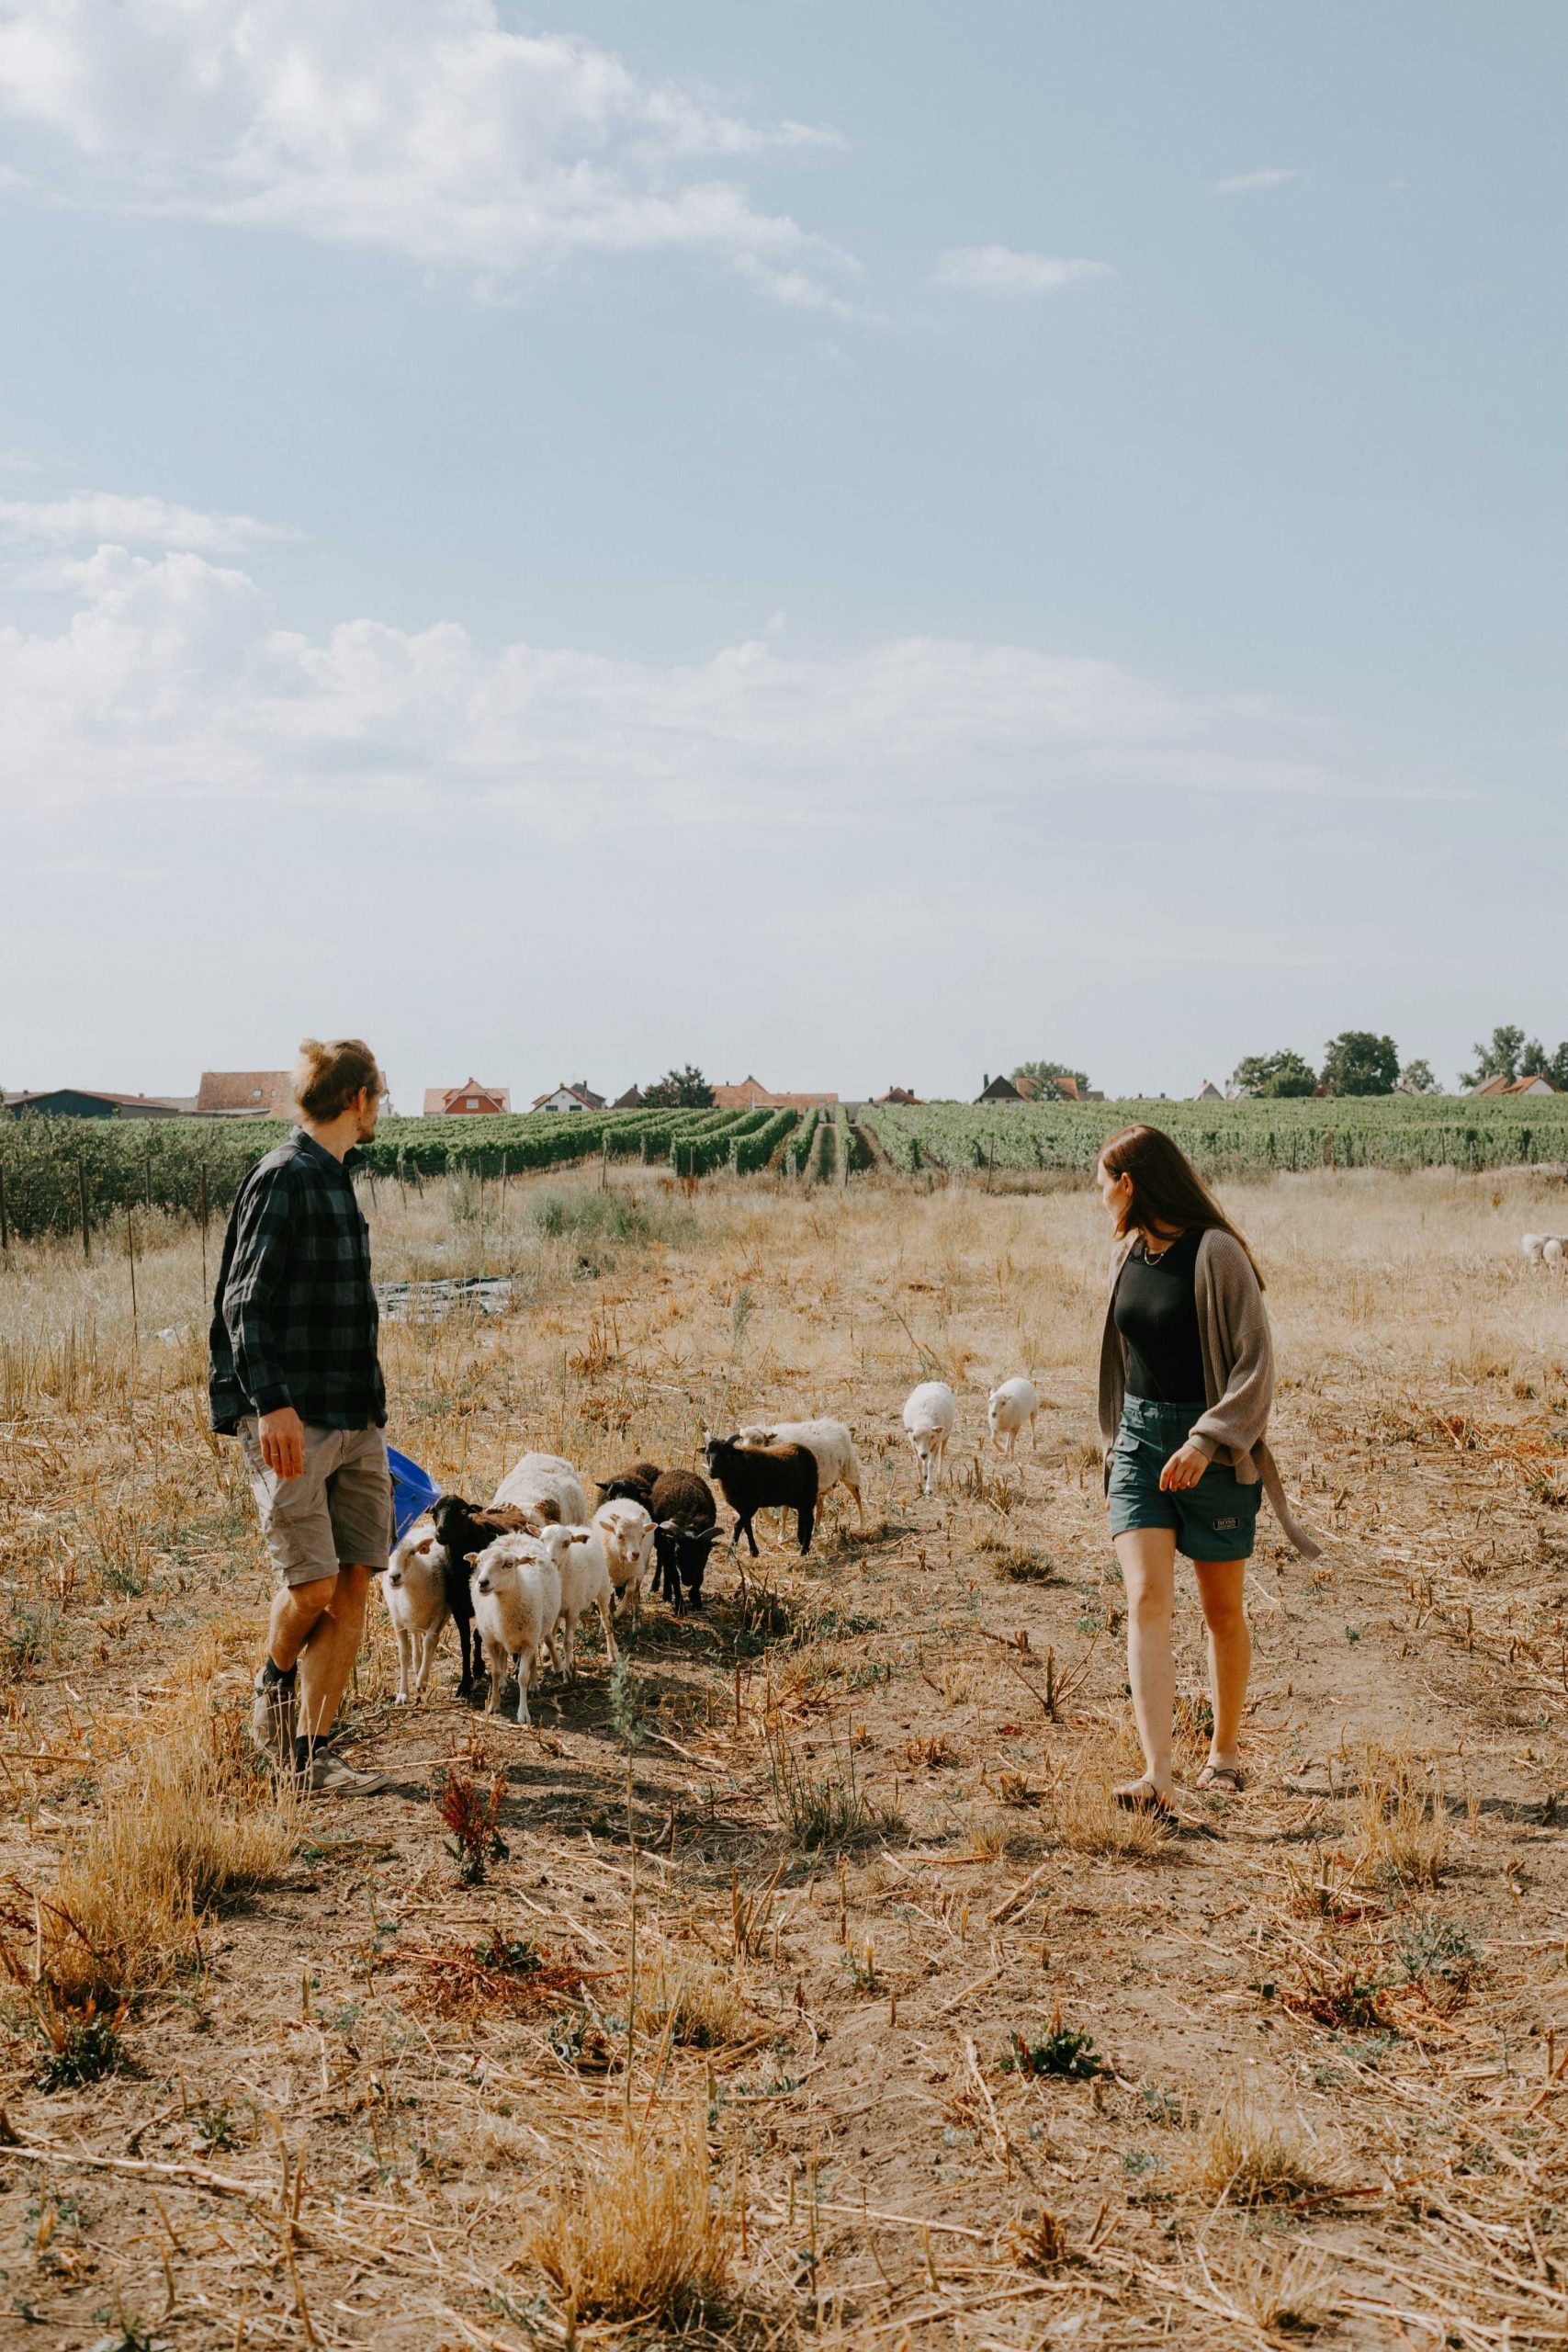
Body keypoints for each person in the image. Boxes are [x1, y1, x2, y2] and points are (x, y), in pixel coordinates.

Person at [1096, 1124, 1317, 1813]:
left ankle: (1223, 1755)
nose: (1097, 1195)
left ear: (1129, 1184)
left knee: (1222, 1611)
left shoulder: (1216, 1254)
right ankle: (1155, 1774)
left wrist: (1204, 1440)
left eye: (1101, 1182)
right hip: (1137, 1447)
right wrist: (1116, 1439)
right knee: (1145, 1601)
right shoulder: (1130, 1254)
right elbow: (1122, 1359)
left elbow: (1255, 1366)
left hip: (1214, 1453)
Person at [209, 1038, 392, 1796]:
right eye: (378, 1095)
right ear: (358, 1098)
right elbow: (243, 1301)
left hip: (356, 1414)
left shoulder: (338, 1178)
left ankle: (314, 1754)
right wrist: (270, 1403)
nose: (379, 1108)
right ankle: (271, 1681)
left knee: (353, 1583)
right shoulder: (283, 1177)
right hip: (292, 1417)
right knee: (311, 1587)